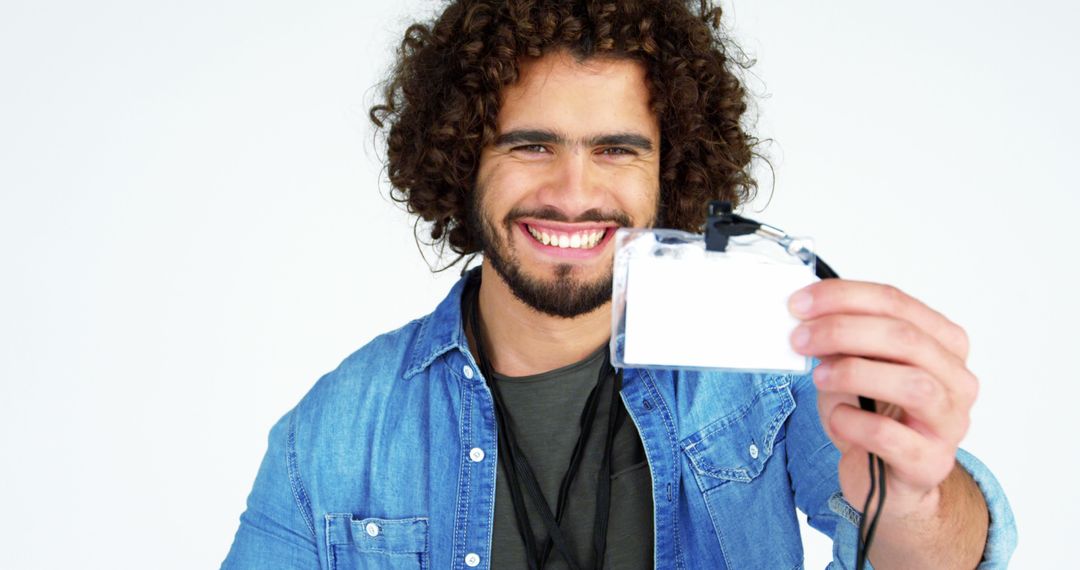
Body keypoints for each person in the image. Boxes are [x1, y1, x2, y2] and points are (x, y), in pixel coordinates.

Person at [222, 0, 1016, 568]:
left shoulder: (759, 371)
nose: (573, 192)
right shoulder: (329, 437)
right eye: (531, 146)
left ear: (672, 171)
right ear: (462, 160)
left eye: (616, 150)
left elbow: (929, 557)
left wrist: (914, 498)